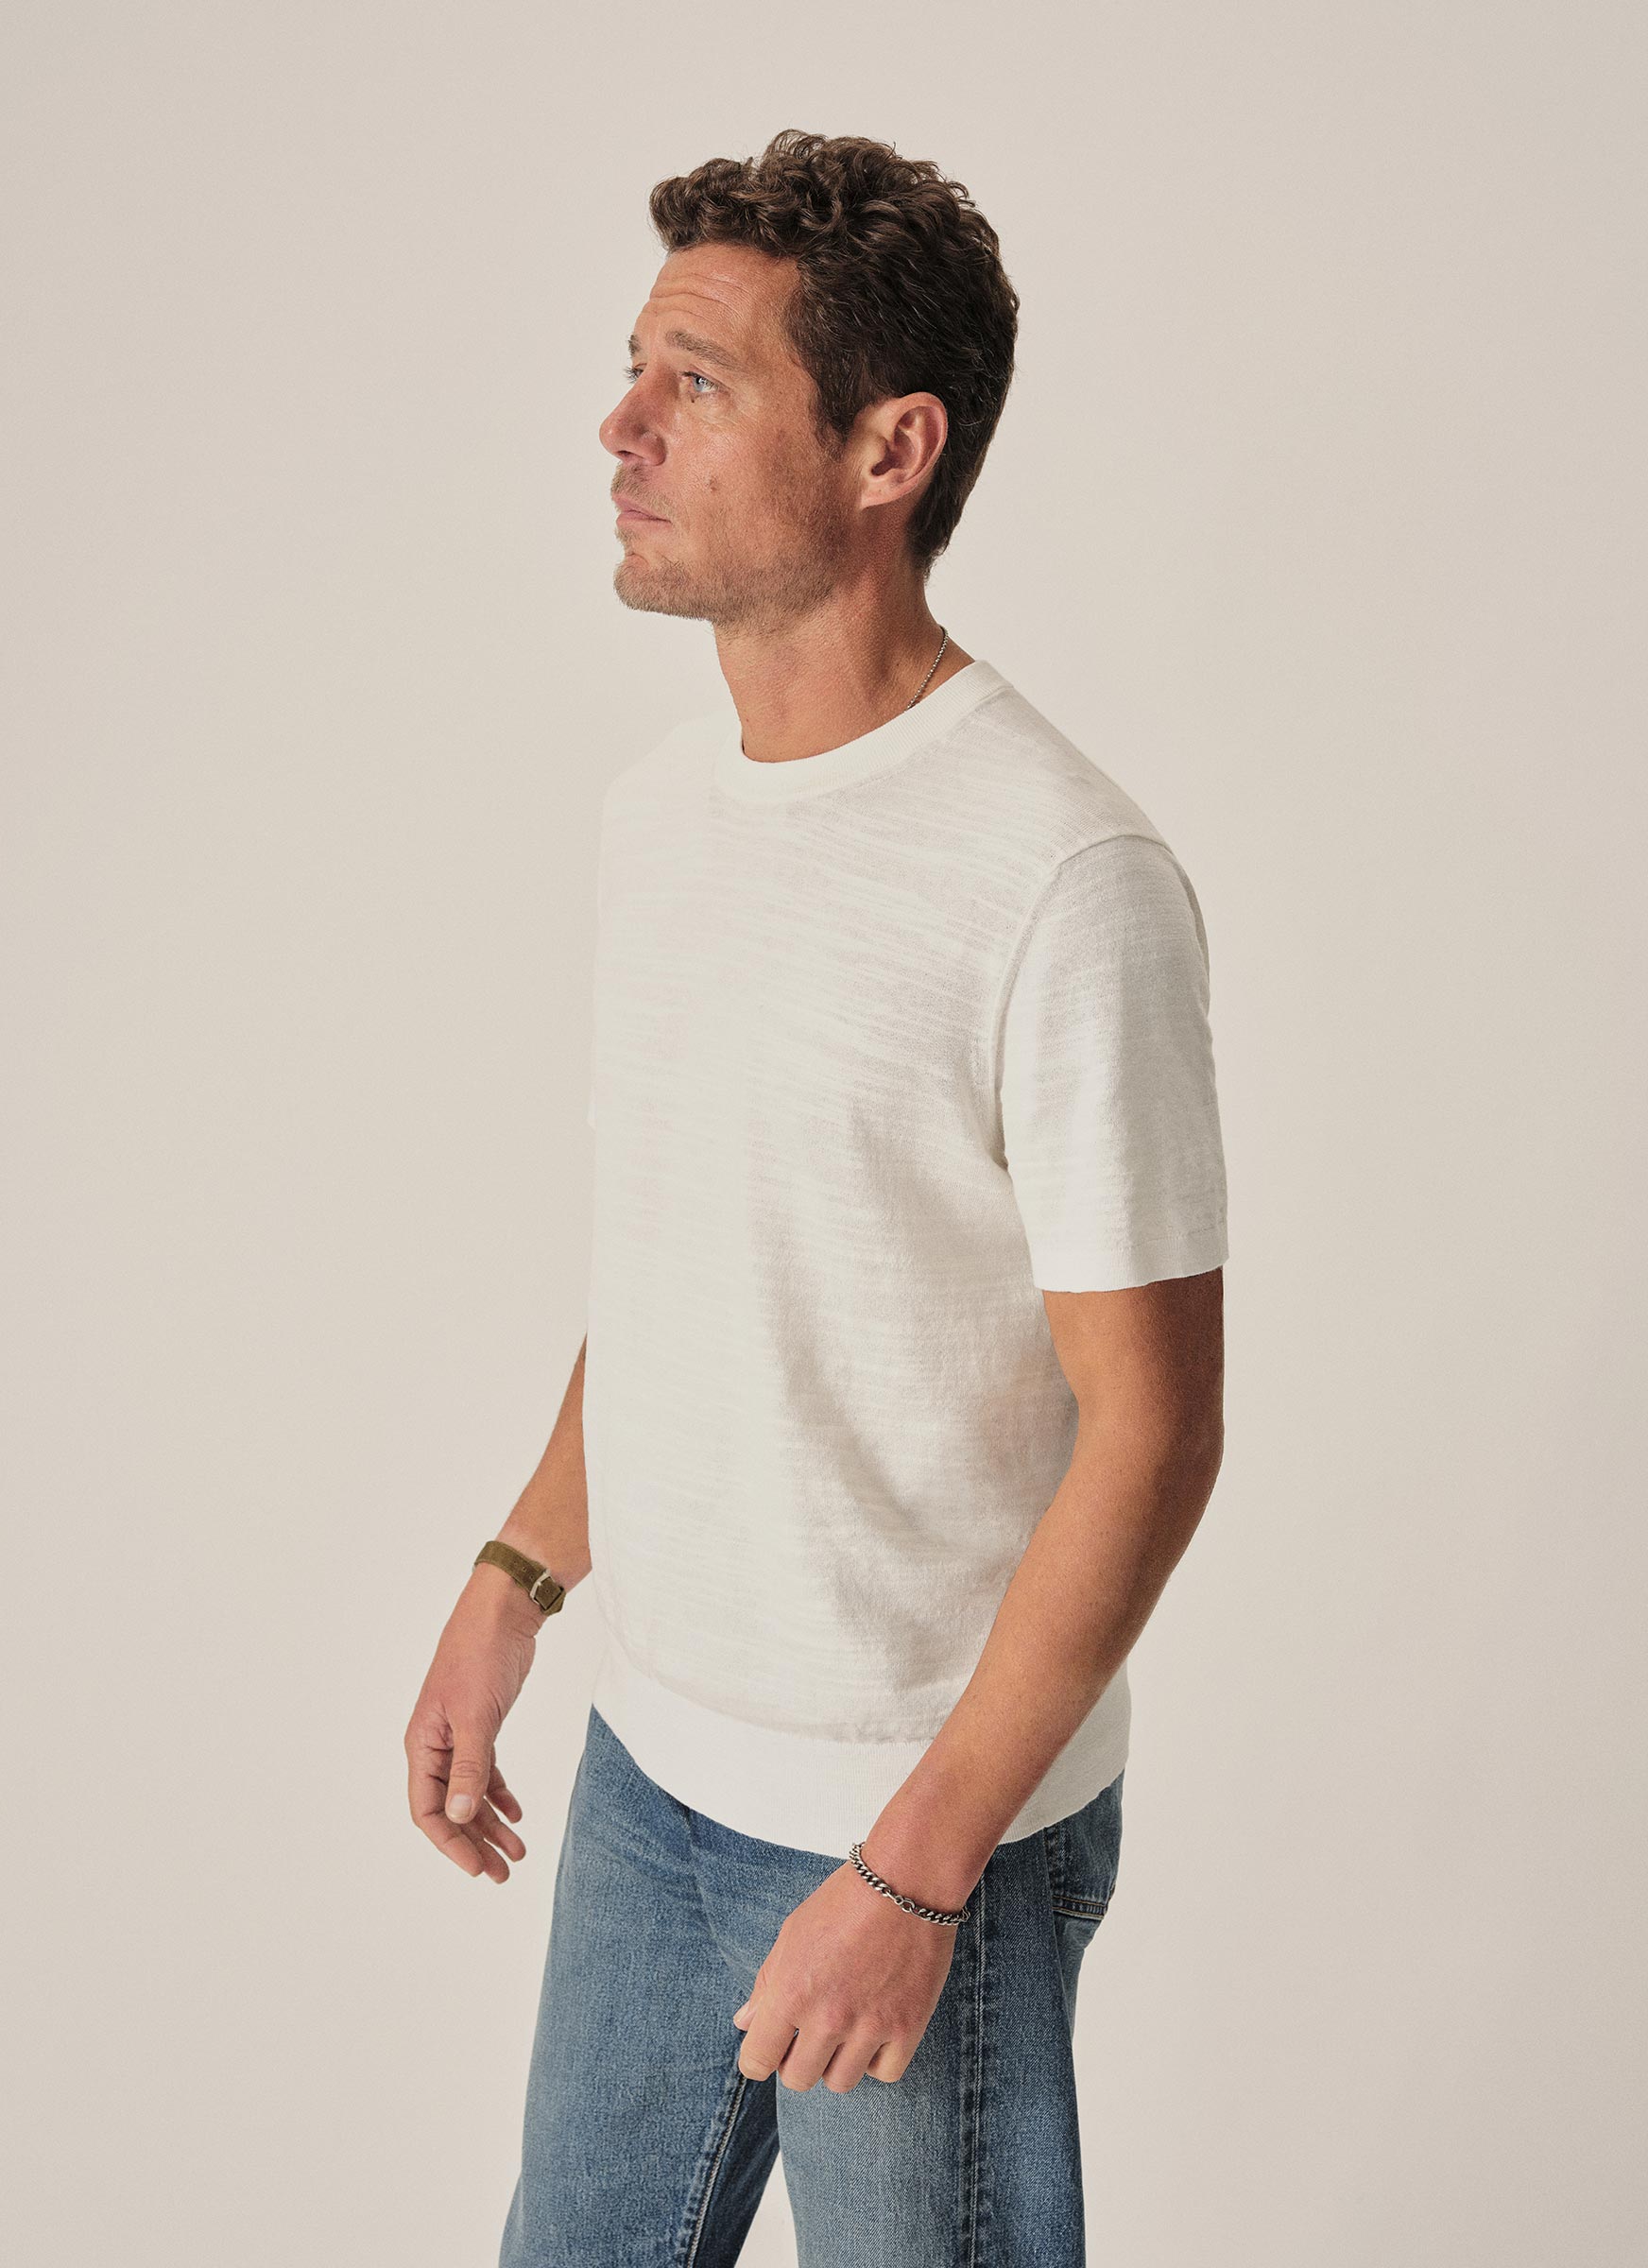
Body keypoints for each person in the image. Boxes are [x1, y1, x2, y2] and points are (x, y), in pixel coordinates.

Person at [404, 129, 1229, 2267]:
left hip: (922, 1824)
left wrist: (917, 1867)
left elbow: (1153, 1430)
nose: (620, 430)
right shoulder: (663, 816)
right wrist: (520, 1572)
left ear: (889, 450)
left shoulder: (1066, 877)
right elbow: (698, 1268)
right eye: (632, 371)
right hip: (653, 1778)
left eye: (695, 383)